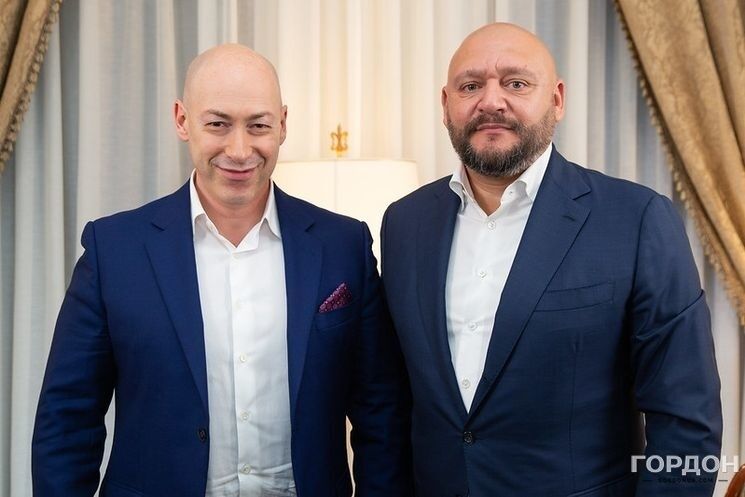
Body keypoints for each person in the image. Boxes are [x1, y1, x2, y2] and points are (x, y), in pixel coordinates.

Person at [32, 44, 412, 497]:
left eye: (258, 125)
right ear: (182, 120)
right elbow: (67, 419)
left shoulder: (343, 246)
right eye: (218, 124)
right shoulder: (113, 250)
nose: (239, 149)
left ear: (283, 124)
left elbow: (381, 413)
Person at [381, 22, 721, 496]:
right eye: (470, 86)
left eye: (516, 83)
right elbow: (393, 402)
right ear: (445, 105)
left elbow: (686, 420)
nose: (491, 101)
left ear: (557, 100)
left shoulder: (636, 218)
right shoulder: (404, 223)